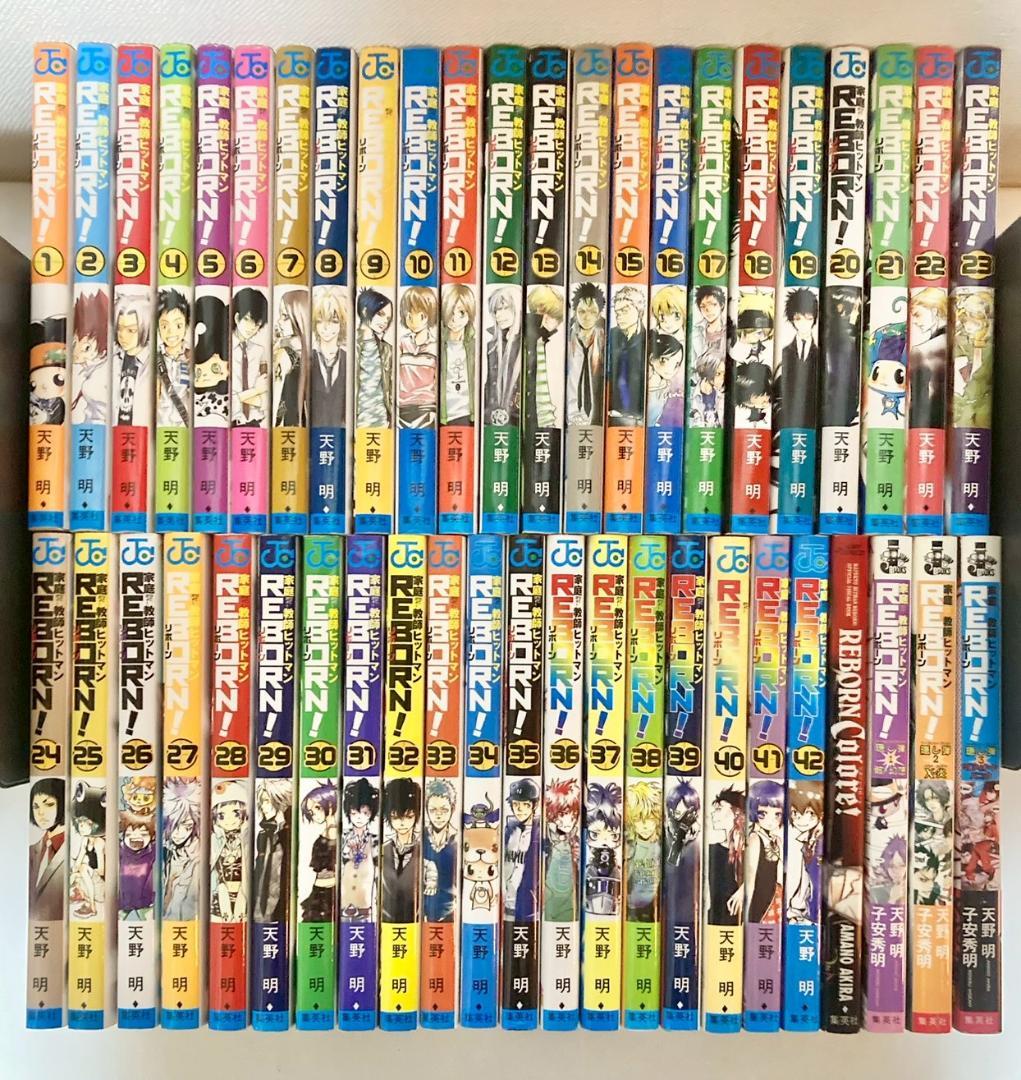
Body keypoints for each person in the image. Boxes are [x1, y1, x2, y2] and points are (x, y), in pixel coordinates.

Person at [28, 778, 66, 921]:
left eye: (49, 804)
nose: (40, 813)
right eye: (35, 807)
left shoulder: (78, 849)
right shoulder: (32, 850)